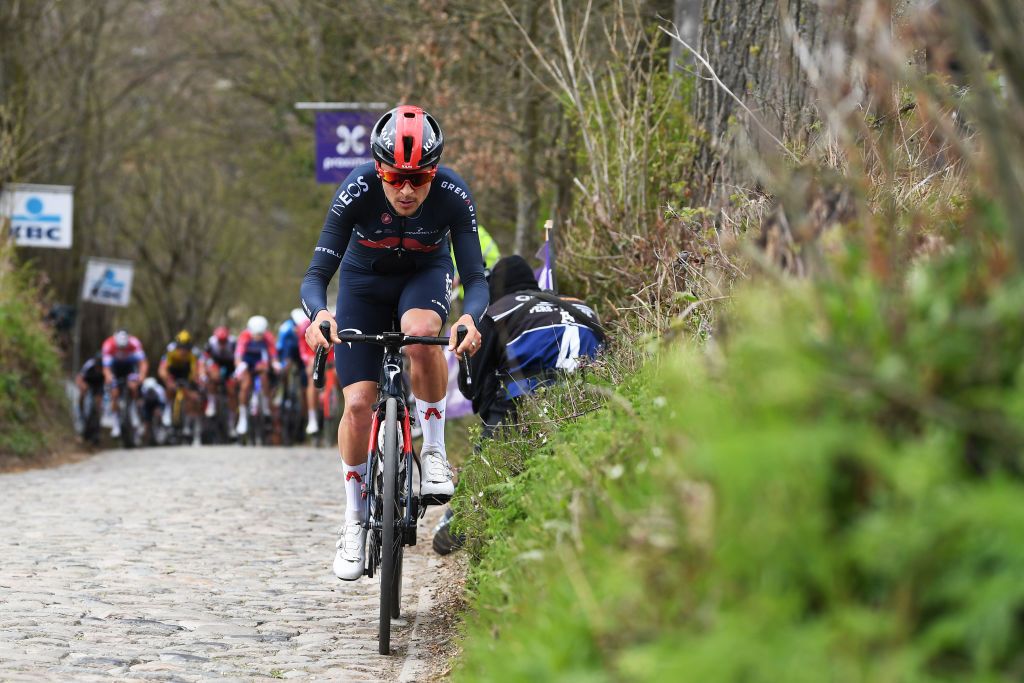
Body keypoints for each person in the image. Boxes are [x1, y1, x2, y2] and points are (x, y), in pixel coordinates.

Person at [300, 104, 487, 581]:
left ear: (435, 171)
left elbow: (476, 278)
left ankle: (434, 452)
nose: (406, 190)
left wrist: (469, 318)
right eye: (395, 178)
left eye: (418, 179)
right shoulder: (356, 189)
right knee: (359, 405)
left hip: (425, 276)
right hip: (363, 285)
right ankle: (354, 521)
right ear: (378, 170)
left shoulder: (452, 194)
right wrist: (320, 315)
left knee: (423, 333)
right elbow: (317, 275)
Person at [432, 254, 605, 555]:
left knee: (484, 468)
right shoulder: (583, 308)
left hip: (526, 404)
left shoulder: (498, 312)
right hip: (594, 398)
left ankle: (460, 519)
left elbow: (470, 386)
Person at [100, 329, 148, 439]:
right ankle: (116, 424)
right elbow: (106, 368)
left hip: (130, 367)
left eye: (124, 347)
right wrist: (109, 378)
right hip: (115, 368)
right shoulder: (108, 344)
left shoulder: (134, 343)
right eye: (120, 348)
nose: (122, 350)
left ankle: (134, 412)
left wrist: (141, 376)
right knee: (114, 393)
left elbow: (143, 363)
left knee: (133, 386)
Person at [158, 329, 204, 443]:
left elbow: (198, 369)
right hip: (173, 374)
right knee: (169, 389)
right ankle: (168, 412)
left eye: (185, 348)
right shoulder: (170, 351)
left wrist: (197, 380)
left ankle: (189, 424)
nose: (182, 351)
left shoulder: (195, 353)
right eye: (180, 348)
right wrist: (168, 381)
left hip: (187, 374)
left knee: (193, 396)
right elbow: (162, 369)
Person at [235, 315, 277, 435]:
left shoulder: (268, 337)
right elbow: (238, 355)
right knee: (245, 384)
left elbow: (273, 355)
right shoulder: (244, 336)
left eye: (260, 335)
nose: (258, 337)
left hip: (260, 361)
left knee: (264, 376)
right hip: (247, 362)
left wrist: (275, 363)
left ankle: (266, 406)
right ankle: (242, 418)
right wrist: (240, 365)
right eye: (255, 335)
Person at [203, 325, 238, 436]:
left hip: (230, 366)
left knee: (232, 391)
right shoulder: (211, 343)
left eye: (224, 341)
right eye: (220, 341)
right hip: (216, 364)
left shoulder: (233, 343)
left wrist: (235, 375)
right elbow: (204, 360)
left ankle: (232, 422)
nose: (222, 344)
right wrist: (203, 374)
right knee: (212, 377)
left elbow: (238, 360)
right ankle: (212, 402)